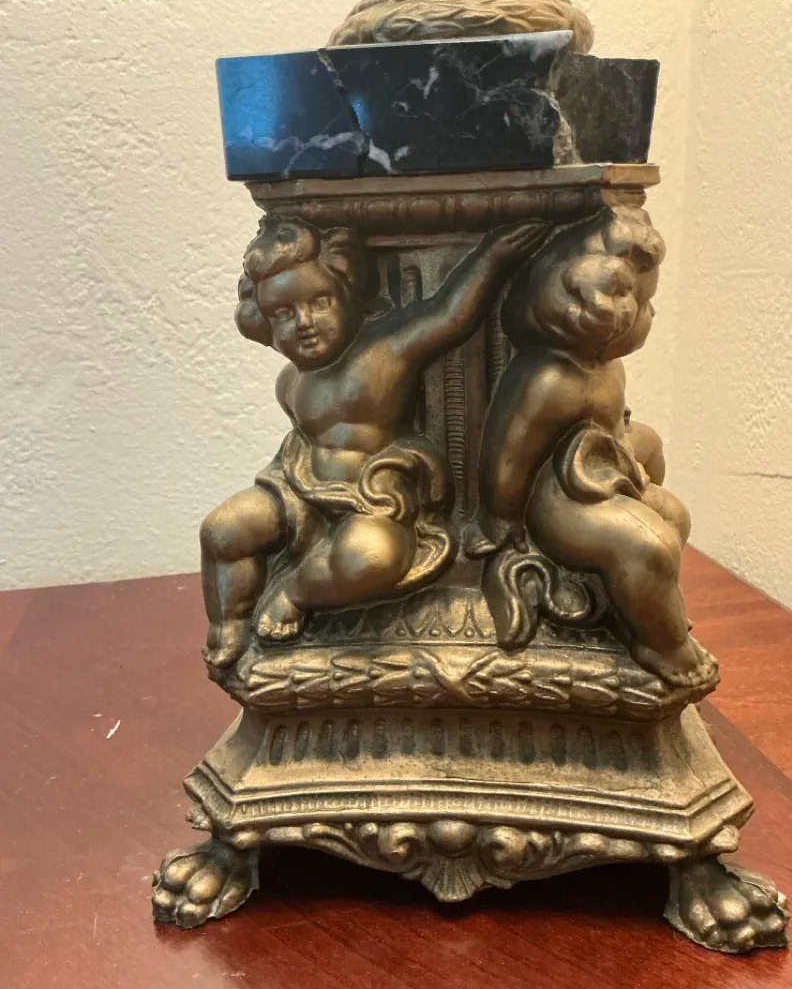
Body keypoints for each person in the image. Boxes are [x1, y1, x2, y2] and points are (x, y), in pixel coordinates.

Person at [202, 215, 547, 669]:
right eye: (283, 314)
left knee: (370, 558)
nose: (304, 322)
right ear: (263, 324)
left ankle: (295, 593)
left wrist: (491, 256)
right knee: (224, 529)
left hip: (373, 496)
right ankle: (230, 626)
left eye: (320, 302)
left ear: (349, 295)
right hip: (299, 489)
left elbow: (448, 315)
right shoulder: (292, 381)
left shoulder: (385, 351)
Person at [465, 206, 705, 687]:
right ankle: (664, 647)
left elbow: (616, 431)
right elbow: (511, 455)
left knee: (674, 515)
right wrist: (500, 519)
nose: (651, 314)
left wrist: (638, 470)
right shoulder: (550, 379)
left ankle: (645, 608)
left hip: (603, 471)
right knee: (647, 546)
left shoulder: (605, 368)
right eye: (646, 306)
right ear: (607, 321)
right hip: (561, 500)